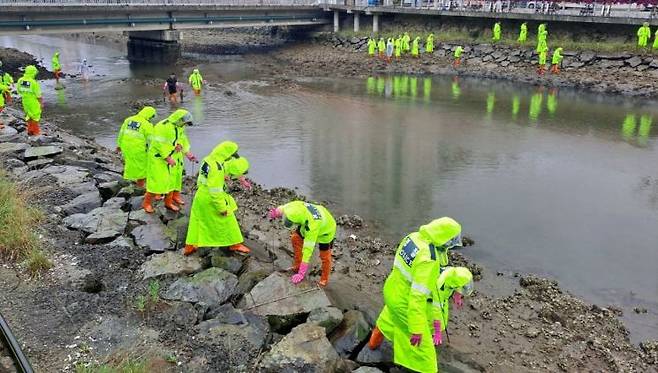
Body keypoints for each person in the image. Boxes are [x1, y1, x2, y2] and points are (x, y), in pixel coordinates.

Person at [367, 217, 464, 373]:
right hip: (404, 302)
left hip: (392, 289)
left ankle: (371, 347)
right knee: (425, 354)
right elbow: (417, 297)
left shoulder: (413, 237)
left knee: (387, 321)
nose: (450, 244)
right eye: (451, 240)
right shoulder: (429, 260)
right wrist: (417, 328)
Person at [183, 141, 252, 256]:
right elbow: (215, 192)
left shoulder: (209, 159)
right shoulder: (217, 169)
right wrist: (222, 208)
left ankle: (189, 246)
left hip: (200, 196)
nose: (231, 158)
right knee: (228, 219)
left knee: (197, 221)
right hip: (210, 199)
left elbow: (227, 166)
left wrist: (242, 179)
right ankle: (235, 244)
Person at [268, 201, 337, 287]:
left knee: (325, 256)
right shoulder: (292, 207)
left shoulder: (312, 227)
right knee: (295, 238)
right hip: (309, 217)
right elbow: (282, 208)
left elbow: (308, 250)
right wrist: (276, 212)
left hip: (327, 229)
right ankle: (297, 265)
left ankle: (324, 279)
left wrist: (301, 273)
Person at [143, 109, 196, 213]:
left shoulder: (179, 126)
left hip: (174, 156)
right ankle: (146, 203)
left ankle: (170, 201)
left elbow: (182, 138)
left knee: (174, 179)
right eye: (184, 123)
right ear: (179, 119)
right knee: (158, 181)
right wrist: (167, 158)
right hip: (159, 158)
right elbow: (158, 144)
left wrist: (187, 152)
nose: (184, 125)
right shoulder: (162, 126)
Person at [116, 106, 156, 189]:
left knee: (130, 164)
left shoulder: (129, 120)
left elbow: (121, 133)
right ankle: (140, 186)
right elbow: (152, 140)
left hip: (126, 147)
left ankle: (129, 182)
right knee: (142, 167)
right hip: (138, 148)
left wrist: (119, 145)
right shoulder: (147, 125)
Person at [16, 65, 42, 136]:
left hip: (25, 100)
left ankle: (30, 130)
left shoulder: (20, 80)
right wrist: (40, 103)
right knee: (35, 116)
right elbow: (38, 95)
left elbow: (18, 91)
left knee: (28, 115)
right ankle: (36, 132)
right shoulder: (33, 82)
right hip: (33, 101)